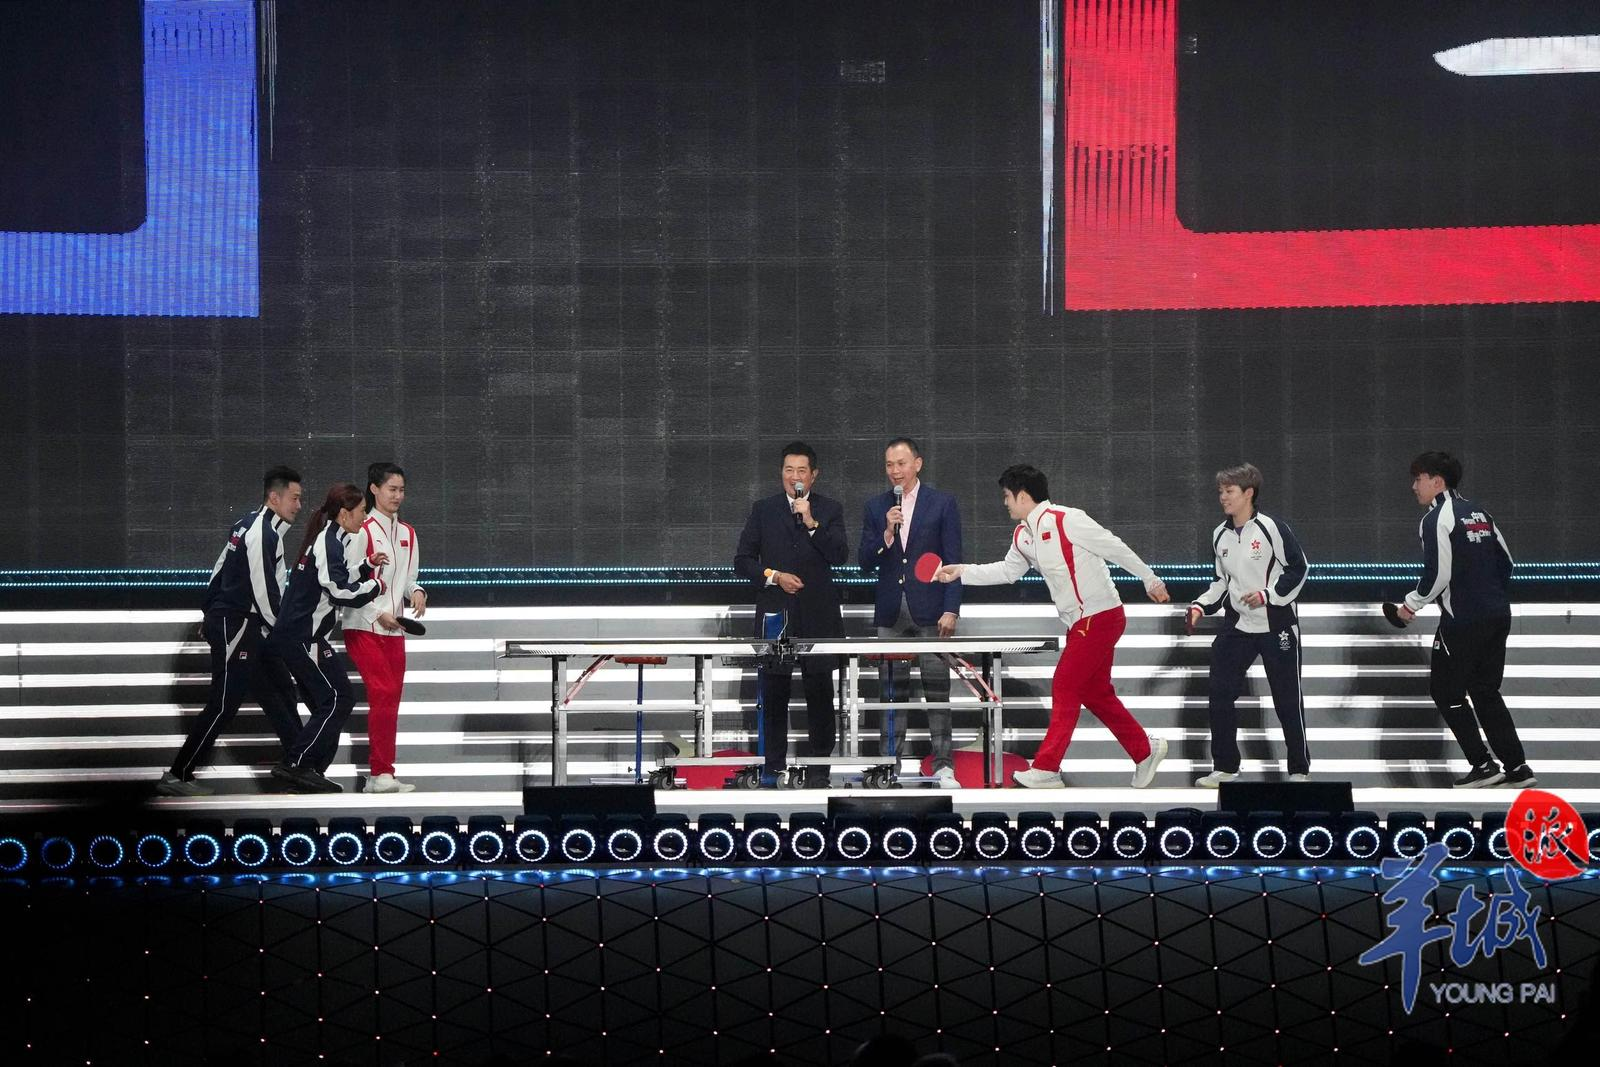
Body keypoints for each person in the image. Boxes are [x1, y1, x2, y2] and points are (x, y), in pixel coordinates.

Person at [934, 464, 1170, 788]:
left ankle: (1047, 767)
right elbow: (1007, 572)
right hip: (1080, 624)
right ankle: (1144, 749)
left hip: (1101, 616)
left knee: (1065, 686)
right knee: (1096, 693)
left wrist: (1150, 579)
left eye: (1007, 496)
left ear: (1022, 496)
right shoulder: (1023, 535)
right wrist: (961, 571)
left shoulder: (1066, 519)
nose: (1005, 502)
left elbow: (1113, 546)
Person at [157, 467, 305, 797]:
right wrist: (282, 631)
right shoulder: (261, 532)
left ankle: (301, 769)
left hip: (245, 624)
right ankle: (178, 775)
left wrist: (210, 610)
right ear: (274, 497)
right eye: (294, 499)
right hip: (239, 624)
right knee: (225, 702)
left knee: (281, 691)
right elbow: (264, 591)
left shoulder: (247, 525)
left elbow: (219, 569)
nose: (299, 506)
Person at [1395, 451, 1535, 788]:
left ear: (1436, 481)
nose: (1414, 486)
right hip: (1497, 615)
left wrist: (1410, 605)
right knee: (1486, 690)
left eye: (1418, 479)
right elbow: (1506, 562)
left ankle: (1483, 765)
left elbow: (1437, 575)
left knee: (1446, 691)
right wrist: (1489, 596)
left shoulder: (1435, 518)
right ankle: (1517, 767)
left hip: (1463, 620)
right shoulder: (1479, 513)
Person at [1186, 463, 1312, 786]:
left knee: (1287, 699)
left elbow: (1299, 569)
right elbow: (1222, 582)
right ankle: (1226, 767)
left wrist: (1268, 595)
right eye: (1220, 491)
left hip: (1277, 624)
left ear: (1248, 493)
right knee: (1219, 692)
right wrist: (1200, 605)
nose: (1223, 497)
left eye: (1229, 491)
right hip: (1238, 626)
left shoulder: (1272, 528)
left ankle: (1299, 769)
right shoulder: (1219, 534)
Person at [733, 441, 849, 786]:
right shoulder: (764, 510)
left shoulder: (829, 509)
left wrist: (811, 522)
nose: (794, 476)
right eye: (788, 470)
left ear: (813, 475)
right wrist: (774, 576)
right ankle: (773, 769)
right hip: (776, 614)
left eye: (801, 470)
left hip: (818, 615)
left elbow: (840, 555)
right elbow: (742, 561)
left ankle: (819, 771)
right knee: (774, 693)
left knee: (820, 695)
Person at [264, 483, 385, 793]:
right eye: (361, 512)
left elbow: (335, 577)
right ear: (344, 514)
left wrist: (366, 566)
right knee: (336, 699)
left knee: (335, 700)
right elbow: (339, 590)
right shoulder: (328, 541)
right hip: (302, 637)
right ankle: (297, 764)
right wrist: (376, 587)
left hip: (304, 637)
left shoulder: (331, 539)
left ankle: (308, 770)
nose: (364, 518)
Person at [858, 437, 963, 787]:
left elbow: (954, 560)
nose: (895, 471)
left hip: (931, 611)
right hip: (891, 613)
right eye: (889, 465)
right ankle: (889, 765)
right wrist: (887, 534)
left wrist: (951, 608)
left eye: (901, 464)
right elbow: (864, 561)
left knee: (938, 690)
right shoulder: (876, 507)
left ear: (917, 464)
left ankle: (943, 765)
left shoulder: (942, 503)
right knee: (890, 694)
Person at [343, 462, 427, 794]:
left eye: (401, 490)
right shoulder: (362, 530)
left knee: (391, 698)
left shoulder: (407, 533)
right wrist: (377, 612)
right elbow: (348, 581)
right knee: (382, 692)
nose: (397, 495)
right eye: (392, 489)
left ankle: (382, 773)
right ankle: (380, 773)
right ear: (374, 489)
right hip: (363, 626)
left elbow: (408, 579)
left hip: (394, 629)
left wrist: (417, 591)